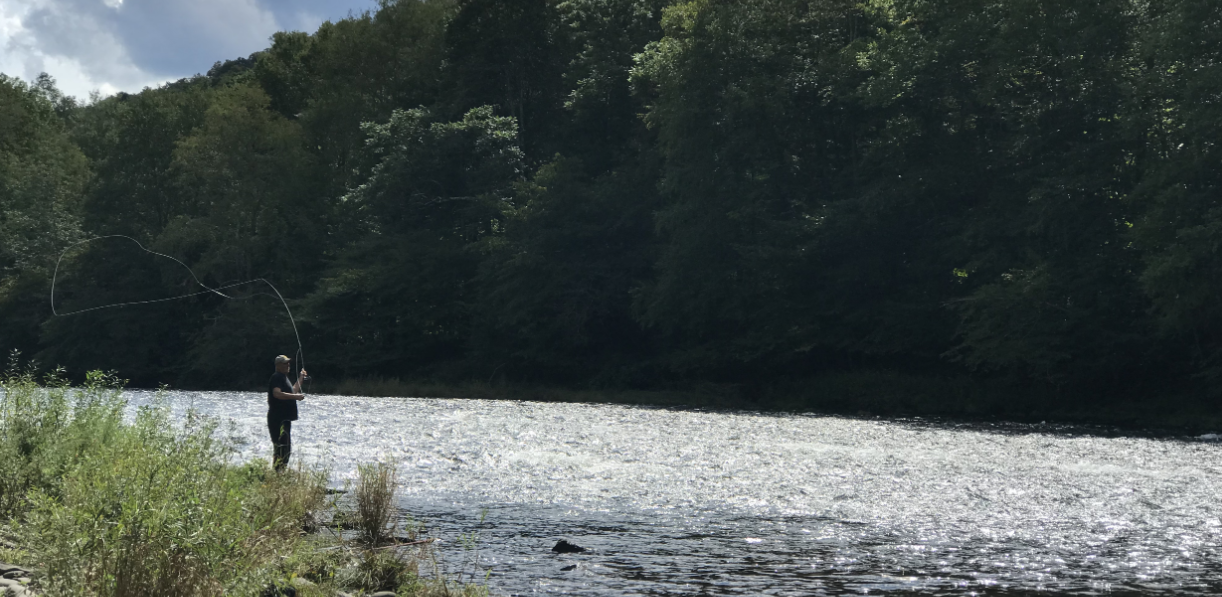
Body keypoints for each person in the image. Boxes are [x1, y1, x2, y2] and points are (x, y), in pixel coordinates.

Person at [268, 354, 307, 472]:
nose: (288, 365)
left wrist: (300, 378)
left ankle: (279, 474)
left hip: (284, 419)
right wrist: (295, 397)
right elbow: (276, 393)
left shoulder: (284, 378)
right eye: (285, 363)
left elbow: (293, 390)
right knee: (281, 448)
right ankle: (278, 474)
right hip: (278, 419)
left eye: (288, 363)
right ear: (278, 365)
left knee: (285, 449)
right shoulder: (277, 377)